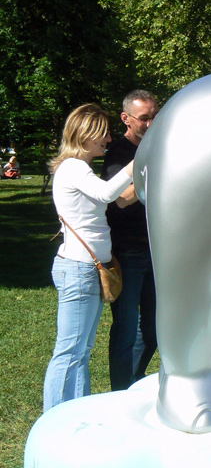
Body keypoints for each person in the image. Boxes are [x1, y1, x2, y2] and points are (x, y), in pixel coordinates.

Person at [44, 104, 134, 411]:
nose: (108, 139)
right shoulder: (73, 167)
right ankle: (54, 420)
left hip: (87, 269)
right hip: (79, 269)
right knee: (69, 351)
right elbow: (108, 194)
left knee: (82, 350)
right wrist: (136, 165)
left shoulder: (77, 168)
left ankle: (76, 412)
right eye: (103, 133)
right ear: (86, 134)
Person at [101, 90, 159, 391]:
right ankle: (120, 394)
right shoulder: (119, 153)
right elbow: (122, 200)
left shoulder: (160, 148)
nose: (151, 123)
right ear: (126, 118)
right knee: (125, 330)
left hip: (157, 250)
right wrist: (155, 173)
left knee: (152, 332)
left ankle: (132, 385)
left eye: (155, 116)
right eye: (144, 118)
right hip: (128, 251)